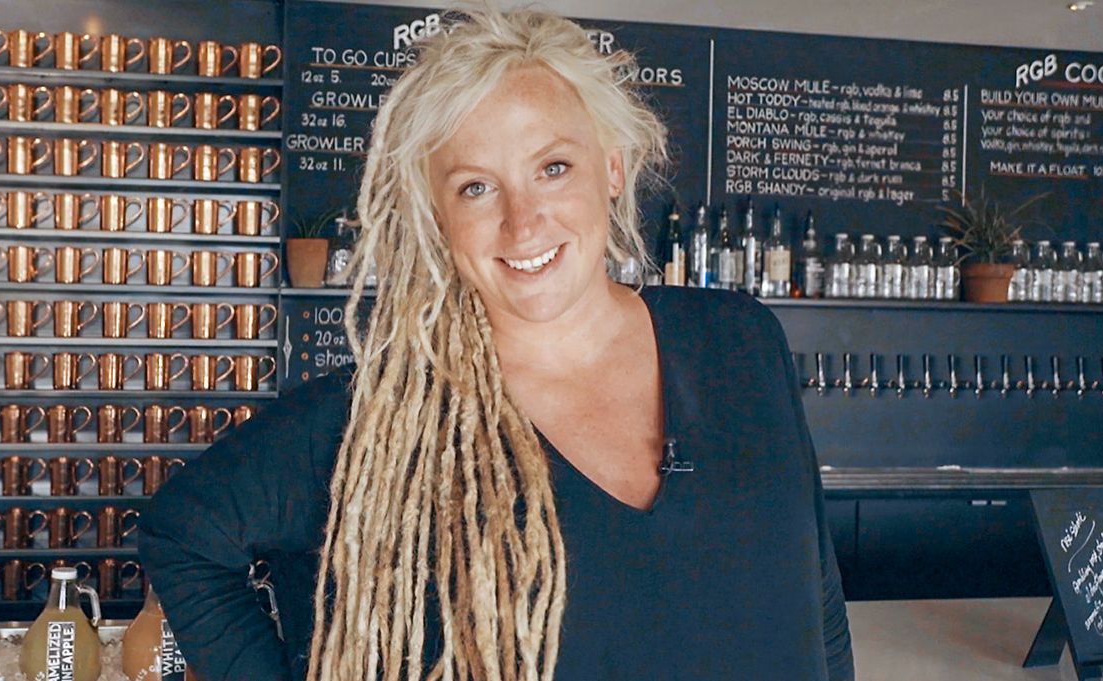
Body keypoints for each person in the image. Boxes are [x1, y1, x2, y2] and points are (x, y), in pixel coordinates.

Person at [138, 7, 853, 681]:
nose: (523, 222)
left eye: (553, 168)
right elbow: (183, 535)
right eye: (476, 187)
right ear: (438, 215)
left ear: (611, 166)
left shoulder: (741, 339)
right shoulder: (380, 419)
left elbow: (816, 598)